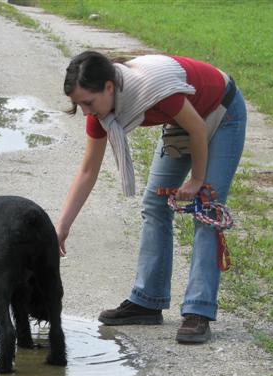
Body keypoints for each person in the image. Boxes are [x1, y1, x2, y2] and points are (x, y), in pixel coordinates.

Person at [56, 50, 246, 344]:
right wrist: (63, 226)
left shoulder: (152, 89)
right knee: (155, 204)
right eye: (79, 104)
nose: (85, 112)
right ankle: (148, 300)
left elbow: (197, 127)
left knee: (206, 209)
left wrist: (196, 180)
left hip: (223, 112)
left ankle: (198, 310)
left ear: (109, 86)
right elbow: (87, 171)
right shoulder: (101, 112)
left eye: (88, 102)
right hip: (186, 118)